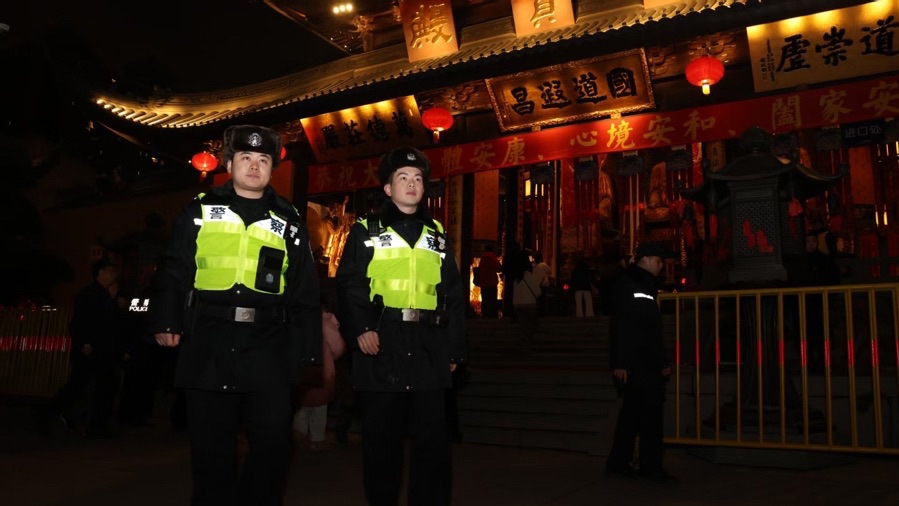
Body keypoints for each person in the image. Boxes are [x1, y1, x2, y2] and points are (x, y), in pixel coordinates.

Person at [148, 124, 322, 506]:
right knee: (211, 449)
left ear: (272, 168)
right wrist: (167, 320)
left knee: (272, 444)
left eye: (263, 160)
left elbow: (304, 289)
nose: (254, 166)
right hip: (209, 341)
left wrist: (308, 350)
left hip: (269, 346)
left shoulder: (289, 219)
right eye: (246, 157)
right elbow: (175, 268)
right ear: (229, 164)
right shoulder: (199, 210)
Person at [336, 145, 467, 506]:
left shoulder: (437, 233)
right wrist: (361, 328)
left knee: (433, 444)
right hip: (383, 342)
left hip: (429, 344)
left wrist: (454, 348)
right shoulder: (366, 229)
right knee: (382, 443)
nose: (411, 184)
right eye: (403, 178)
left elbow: (452, 294)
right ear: (387, 188)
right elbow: (350, 283)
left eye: (418, 178)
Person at [605, 243, 675, 484]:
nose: (661, 265)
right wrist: (620, 363)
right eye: (658, 260)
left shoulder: (645, 285)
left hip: (645, 362)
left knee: (634, 416)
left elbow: (651, 329)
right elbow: (621, 326)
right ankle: (649, 468)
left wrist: (662, 360)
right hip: (638, 364)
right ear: (645, 260)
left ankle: (620, 464)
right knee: (648, 417)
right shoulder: (629, 285)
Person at [45, 259, 121, 438]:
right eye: (110, 270)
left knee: (101, 387)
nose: (114, 274)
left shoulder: (106, 294)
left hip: (103, 348)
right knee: (80, 385)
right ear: (101, 272)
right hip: (91, 349)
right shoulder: (89, 294)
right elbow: (82, 321)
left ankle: (95, 425)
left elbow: (111, 322)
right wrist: (85, 343)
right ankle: (51, 413)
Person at [292, 305, 346, 450]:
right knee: (320, 408)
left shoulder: (297, 317)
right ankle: (317, 440)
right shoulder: (326, 322)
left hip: (301, 370)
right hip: (323, 371)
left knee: (302, 405)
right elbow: (338, 347)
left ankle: (299, 435)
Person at [477, 243, 502, 318]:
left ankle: (484, 315)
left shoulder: (482, 258)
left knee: (484, 300)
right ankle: (492, 316)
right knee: (492, 300)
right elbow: (499, 268)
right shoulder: (493, 258)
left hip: (483, 282)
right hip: (492, 282)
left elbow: (480, 269)